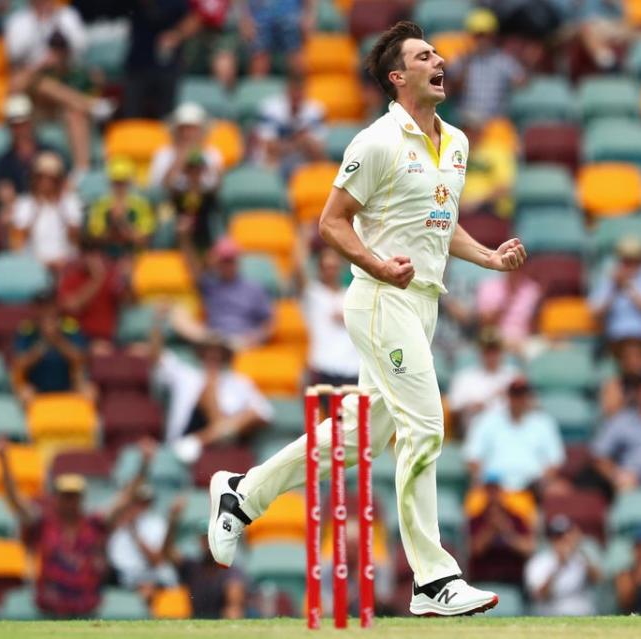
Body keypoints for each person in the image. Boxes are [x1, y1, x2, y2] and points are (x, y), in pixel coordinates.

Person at [207, 21, 529, 617]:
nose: (440, 60)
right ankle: (433, 580)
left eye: (438, 52)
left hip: (422, 302)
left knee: (362, 439)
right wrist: (379, 266)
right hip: (381, 300)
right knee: (426, 426)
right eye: (424, 55)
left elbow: (439, 220)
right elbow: (330, 222)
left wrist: (487, 257)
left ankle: (241, 494)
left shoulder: (455, 142)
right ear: (398, 77)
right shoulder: (376, 141)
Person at [0, 437, 155, 618]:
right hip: (48, 609)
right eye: (66, 496)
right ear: (56, 498)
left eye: (74, 496)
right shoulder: (43, 523)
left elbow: (126, 499)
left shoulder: (95, 524)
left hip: (87, 608)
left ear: (82, 498)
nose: (70, 502)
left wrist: (144, 465)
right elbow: (15, 501)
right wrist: (4, 462)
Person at [4, 0, 112, 175]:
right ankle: (91, 105)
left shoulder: (67, 16)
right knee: (36, 82)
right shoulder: (18, 21)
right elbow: (14, 55)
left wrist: (57, 47)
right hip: (30, 91)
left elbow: (79, 48)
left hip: (60, 86)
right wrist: (43, 61)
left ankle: (82, 172)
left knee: (75, 112)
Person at [150, 308, 273, 458]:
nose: (213, 356)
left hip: (222, 438)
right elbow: (156, 357)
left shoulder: (239, 381)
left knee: (251, 413)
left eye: (218, 352)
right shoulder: (186, 374)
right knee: (209, 390)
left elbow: (264, 413)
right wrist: (157, 324)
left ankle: (200, 441)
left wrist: (230, 425)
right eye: (209, 351)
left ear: (225, 356)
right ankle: (208, 438)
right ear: (201, 354)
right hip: (192, 431)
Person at [464, 377, 565, 492]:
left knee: (560, 491)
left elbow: (555, 461)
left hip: (532, 487)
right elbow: (472, 457)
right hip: (495, 487)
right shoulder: (486, 420)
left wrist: (542, 483)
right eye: (515, 395)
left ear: (529, 398)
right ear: (508, 397)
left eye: (523, 395)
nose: (519, 400)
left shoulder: (544, 423)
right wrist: (482, 480)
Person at [171, 235, 274, 350]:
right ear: (217, 263)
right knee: (177, 311)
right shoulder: (210, 285)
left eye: (230, 260)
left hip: (241, 340)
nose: (227, 265)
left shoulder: (254, 289)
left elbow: (269, 323)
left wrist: (254, 338)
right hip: (214, 339)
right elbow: (193, 270)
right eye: (223, 261)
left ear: (237, 261)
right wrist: (185, 238)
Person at [295, 235, 360, 391]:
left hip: (352, 367)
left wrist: (348, 318)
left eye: (334, 267)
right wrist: (303, 237)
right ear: (320, 269)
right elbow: (298, 269)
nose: (331, 271)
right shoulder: (313, 294)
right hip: (322, 365)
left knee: (350, 415)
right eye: (327, 267)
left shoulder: (351, 294)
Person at [590, 236, 641, 344]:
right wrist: (613, 290)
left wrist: (628, 286)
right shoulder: (609, 279)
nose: (630, 264)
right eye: (626, 260)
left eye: (635, 260)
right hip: (616, 340)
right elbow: (596, 314)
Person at [11, 291, 92, 404]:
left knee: (90, 392)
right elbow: (19, 364)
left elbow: (80, 359)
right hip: (36, 389)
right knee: (24, 394)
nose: (46, 310)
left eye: (49, 305)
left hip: (68, 386)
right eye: (42, 306)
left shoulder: (70, 327)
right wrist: (43, 344)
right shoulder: (27, 330)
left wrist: (58, 340)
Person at [449, 8, 526, 124]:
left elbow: (521, 81)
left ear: (493, 36)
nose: (482, 40)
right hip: (466, 121)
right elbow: (451, 89)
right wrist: (466, 61)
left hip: (495, 121)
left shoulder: (503, 60)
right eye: (477, 35)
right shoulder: (461, 60)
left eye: (485, 35)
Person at [9, 151, 84, 268]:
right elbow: (16, 244)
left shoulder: (70, 202)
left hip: (65, 264)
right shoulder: (24, 204)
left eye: (50, 178)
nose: (45, 182)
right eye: (41, 177)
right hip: (33, 266)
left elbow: (76, 239)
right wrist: (35, 213)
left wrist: (61, 210)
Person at [107, 485, 181, 601]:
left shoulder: (157, 523)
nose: (140, 507)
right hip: (126, 574)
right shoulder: (119, 523)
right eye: (137, 502)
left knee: (168, 575)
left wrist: (135, 532)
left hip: (152, 572)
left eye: (145, 503)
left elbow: (156, 560)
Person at [56, 238, 126, 355]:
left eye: (95, 252)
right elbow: (72, 306)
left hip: (107, 339)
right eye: (86, 252)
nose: (90, 257)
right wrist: (97, 279)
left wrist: (126, 277)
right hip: (78, 338)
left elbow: (126, 300)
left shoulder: (112, 277)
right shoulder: (71, 279)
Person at [254, 69, 326, 180]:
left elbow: (317, 151)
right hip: (274, 164)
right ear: (287, 90)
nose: (296, 95)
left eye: (300, 90)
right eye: (294, 90)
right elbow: (269, 148)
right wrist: (300, 141)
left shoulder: (315, 110)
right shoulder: (270, 108)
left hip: (303, 164)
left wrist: (286, 144)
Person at [524, 514, 601, 617]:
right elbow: (540, 595)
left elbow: (598, 579)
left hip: (583, 614)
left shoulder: (581, 556)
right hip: (552, 615)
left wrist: (579, 552)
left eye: (567, 535)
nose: (563, 540)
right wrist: (557, 566)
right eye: (558, 537)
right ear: (551, 539)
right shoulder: (539, 561)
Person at [168, 521, 247, 618]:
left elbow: (234, 606)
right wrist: (173, 520)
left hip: (220, 623)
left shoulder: (231, 572)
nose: (208, 544)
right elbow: (167, 552)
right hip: (195, 621)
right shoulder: (192, 568)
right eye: (205, 539)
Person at [467, 477, 536, 586]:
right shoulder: (476, 519)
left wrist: (506, 532)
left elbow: (528, 549)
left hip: (512, 580)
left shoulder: (516, 519)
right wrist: (491, 529)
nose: (493, 495)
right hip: (484, 580)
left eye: (496, 490)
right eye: (490, 490)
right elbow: (475, 550)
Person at [447, 329, 519, 433]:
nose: (491, 355)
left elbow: (531, 404)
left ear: (501, 351)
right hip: (476, 433)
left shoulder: (513, 375)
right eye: (487, 350)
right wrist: (472, 406)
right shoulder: (465, 378)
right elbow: (453, 407)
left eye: (495, 350)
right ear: (480, 351)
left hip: (510, 432)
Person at [85, 156, 156, 260]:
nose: (119, 187)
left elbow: (144, 239)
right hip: (107, 257)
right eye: (116, 182)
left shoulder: (141, 205)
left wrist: (123, 224)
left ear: (129, 182)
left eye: (122, 182)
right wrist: (113, 228)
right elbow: (95, 238)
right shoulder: (100, 205)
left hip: (135, 257)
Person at [0, 94, 51, 220]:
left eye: (23, 124)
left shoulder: (49, 152)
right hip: (22, 213)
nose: (19, 130)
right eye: (15, 126)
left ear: (30, 123)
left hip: (50, 209)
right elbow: (6, 195)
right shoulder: (5, 161)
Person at [149, 102, 223, 193]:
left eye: (193, 129)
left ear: (202, 131)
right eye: (182, 129)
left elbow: (217, 188)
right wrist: (179, 160)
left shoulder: (212, 153)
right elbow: (159, 189)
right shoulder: (163, 153)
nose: (187, 134)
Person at [238, 0, 314, 77]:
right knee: (259, 59)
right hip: (260, 14)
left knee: (296, 59)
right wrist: (245, 18)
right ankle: (258, 87)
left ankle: (297, 86)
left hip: (290, 14)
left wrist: (308, 14)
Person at [475, 267, 542, 354]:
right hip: (497, 336)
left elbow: (536, 325)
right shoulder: (488, 286)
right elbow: (485, 323)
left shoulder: (533, 289)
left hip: (524, 339)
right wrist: (507, 299)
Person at [599, 338, 641, 419]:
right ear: (621, 361)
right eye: (628, 357)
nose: (633, 361)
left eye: (638, 356)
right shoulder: (614, 385)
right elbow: (610, 413)